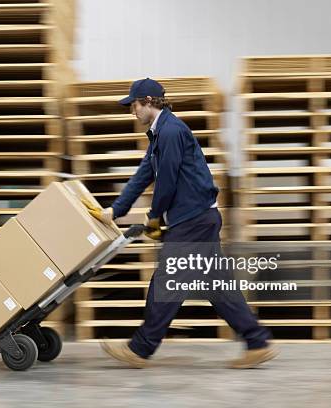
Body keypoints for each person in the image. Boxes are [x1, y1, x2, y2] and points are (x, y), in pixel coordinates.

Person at [83, 78, 278, 369]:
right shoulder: (159, 133)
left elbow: (168, 181)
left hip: (193, 220)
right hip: (198, 218)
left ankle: (141, 348)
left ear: (148, 102)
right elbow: (144, 174)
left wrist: (154, 216)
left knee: (166, 282)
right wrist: (115, 210)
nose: (132, 111)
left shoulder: (171, 132)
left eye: (134, 105)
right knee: (217, 285)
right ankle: (257, 342)